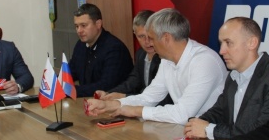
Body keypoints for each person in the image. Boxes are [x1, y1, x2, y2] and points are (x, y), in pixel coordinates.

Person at [87, 8, 227, 125]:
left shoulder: (204, 61)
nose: (150, 43)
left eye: (152, 38)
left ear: (166, 38)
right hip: (188, 131)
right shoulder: (167, 60)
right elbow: (149, 97)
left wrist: (137, 111)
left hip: (213, 136)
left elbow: (182, 114)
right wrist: (108, 105)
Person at [183, 17, 269, 140]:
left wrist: (208, 129)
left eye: (228, 43)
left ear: (252, 43)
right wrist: (196, 124)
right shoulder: (233, 75)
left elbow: (260, 132)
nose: (221, 51)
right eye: (221, 43)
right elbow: (219, 110)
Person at [96, 10, 172, 105]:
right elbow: (132, 82)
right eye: (141, 36)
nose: (147, 41)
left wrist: (125, 97)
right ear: (135, 34)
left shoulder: (166, 58)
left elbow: (158, 97)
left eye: (150, 36)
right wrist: (109, 93)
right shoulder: (140, 54)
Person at [69, 3, 133, 97]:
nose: (79, 30)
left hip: (112, 101)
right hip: (88, 100)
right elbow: (70, 72)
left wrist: (72, 91)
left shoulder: (114, 48)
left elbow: (106, 85)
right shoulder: (80, 45)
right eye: (76, 26)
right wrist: (55, 83)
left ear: (98, 24)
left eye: (83, 25)